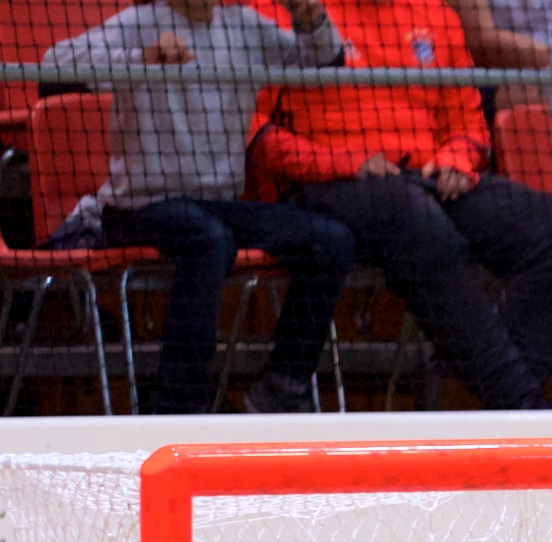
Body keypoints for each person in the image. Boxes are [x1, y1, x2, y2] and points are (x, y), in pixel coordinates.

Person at [249, 0, 552, 410]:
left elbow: (468, 120)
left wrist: (457, 159)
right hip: (326, 183)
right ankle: (523, 406)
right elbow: (253, 126)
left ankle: (502, 397)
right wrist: (340, 163)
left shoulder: (434, 13)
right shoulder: (279, 10)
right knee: (418, 220)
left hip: (424, 179)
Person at [45, 0, 354, 414]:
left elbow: (325, 64)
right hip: (140, 206)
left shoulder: (244, 25)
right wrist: (141, 58)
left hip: (219, 205)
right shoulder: (139, 22)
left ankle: (283, 386)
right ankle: (179, 405)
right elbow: (53, 66)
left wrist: (308, 16)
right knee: (209, 240)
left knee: (330, 240)